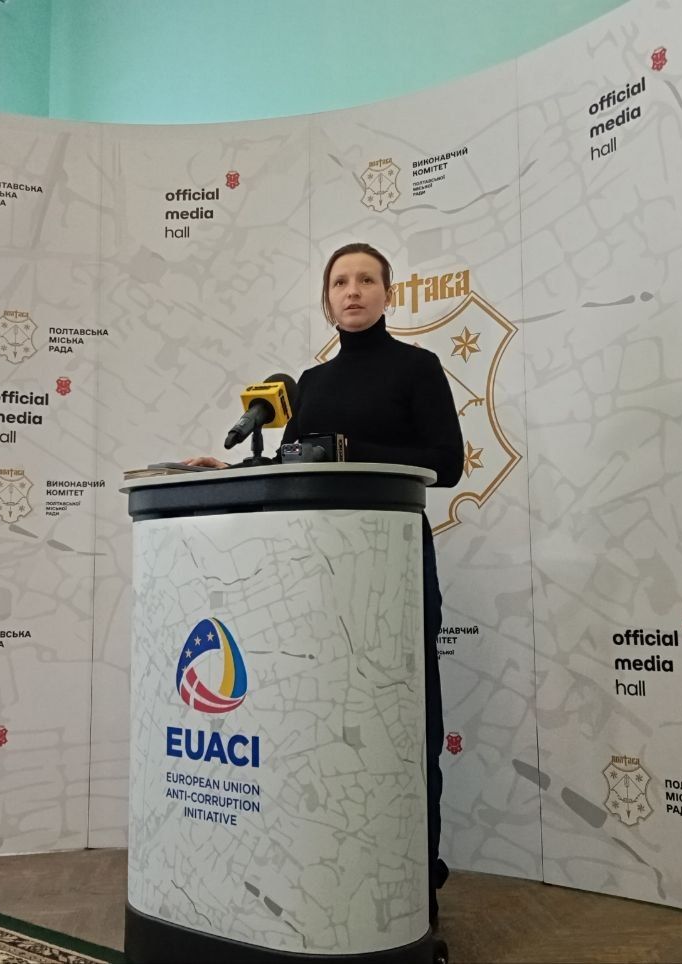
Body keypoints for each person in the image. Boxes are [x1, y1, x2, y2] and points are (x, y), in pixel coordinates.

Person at [185, 242, 464, 927]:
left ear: (388, 294)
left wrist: (350, 452)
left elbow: (447, 463)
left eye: (367, 279)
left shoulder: (418, 368)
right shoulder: (310, 384)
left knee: (405, 724)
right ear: (327, 298)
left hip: (393, 566)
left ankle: (414, 880)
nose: (353, 291)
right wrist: (228, 470)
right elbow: (293, 463)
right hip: (316, 579)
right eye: (340, 282)